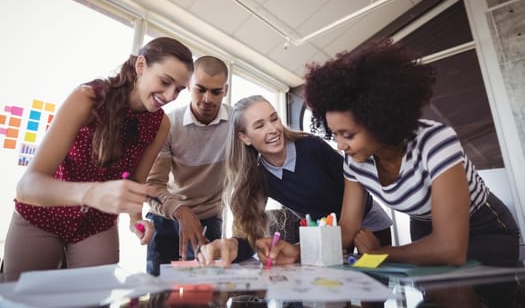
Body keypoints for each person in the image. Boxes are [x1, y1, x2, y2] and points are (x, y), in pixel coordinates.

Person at [302, 40, 520, 267]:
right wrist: (297, 250)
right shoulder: (355, 160)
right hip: (425, 232)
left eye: (347, 135)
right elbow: (347, 229)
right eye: (335, 134)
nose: (340, 146)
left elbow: (449, 249)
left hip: (482, 228)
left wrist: (380, 252)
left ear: (378, 120)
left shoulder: (435, 141)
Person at [2, 37, 194, 281]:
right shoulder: (88, 98)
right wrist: (91, 193)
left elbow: (136, 183)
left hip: (96, 223)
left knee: (95, 299)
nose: (169, 96)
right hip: (42, 214)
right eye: (165, 82)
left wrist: (136, 219)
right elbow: (27, 187)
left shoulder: (160, 124)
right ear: (141, 66)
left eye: (178, 89)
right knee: (23, 299)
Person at [196, 95, 393, 267]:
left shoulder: (312, 147)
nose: (273, 129)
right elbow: (251, 236)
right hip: (322, 233)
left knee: (374, 289)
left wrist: (299, 249)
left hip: (367, 226)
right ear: (245, 137)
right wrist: (232, 245)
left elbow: (354, 192)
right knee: (338, 292)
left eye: (274, 119)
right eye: (260, 125)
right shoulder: (258, 177)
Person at [145, 55, 231, 275]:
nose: (207, 99)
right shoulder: (168, 125)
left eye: (216, 91)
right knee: (159, 292)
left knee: (204, 292)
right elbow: (153, 185)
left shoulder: (236, 122)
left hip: (209, 221)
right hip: (166, 218)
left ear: (226, 90)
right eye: (200, 89)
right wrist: (182, 212)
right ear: (188, 86)